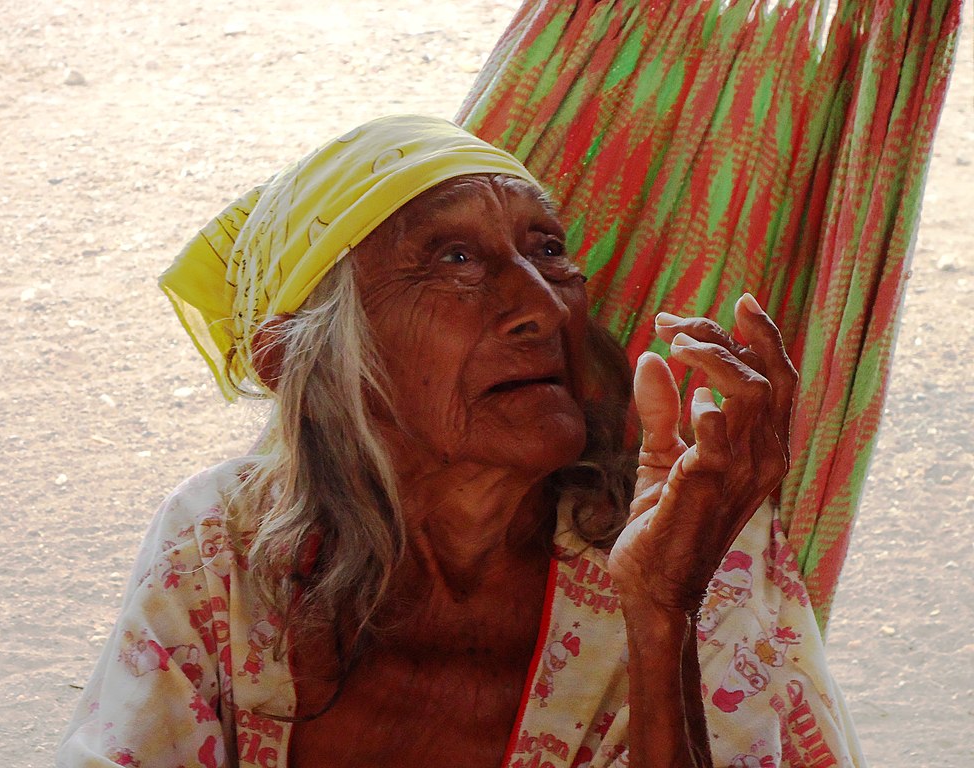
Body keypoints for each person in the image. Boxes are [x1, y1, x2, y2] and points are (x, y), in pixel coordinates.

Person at [58, 115, 864, 767]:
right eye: (454, 259)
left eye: (548, 249)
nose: (543, 307)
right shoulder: (226, 542)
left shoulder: (691, 540)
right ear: (295, 361)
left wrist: (662, 619)